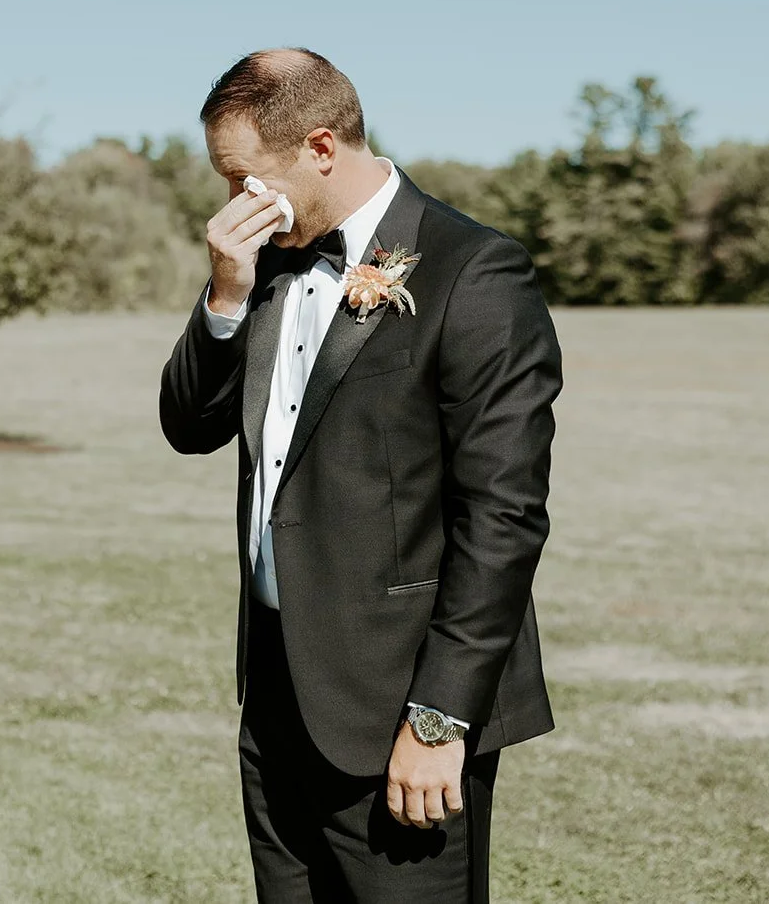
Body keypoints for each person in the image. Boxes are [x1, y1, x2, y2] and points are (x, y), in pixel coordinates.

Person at [160, 49, 563, 902]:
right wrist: (224, 296)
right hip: (275, 701)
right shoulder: (264, 265)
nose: (234, 202)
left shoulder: (475, 272)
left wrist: (438, 718)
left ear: (318, 147)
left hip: (401, 711)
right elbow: (187, 425)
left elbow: (504, 518)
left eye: (243, 178)